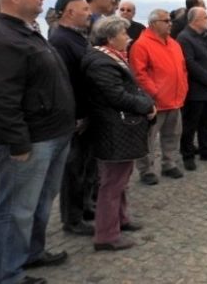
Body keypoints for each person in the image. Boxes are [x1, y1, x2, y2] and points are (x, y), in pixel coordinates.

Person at [0, 0, 75, 284]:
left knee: (39, 204)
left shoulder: (28, 32)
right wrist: (17, 143)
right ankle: (7, 276)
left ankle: (32, 254)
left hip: (53, 134)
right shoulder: (2, 38)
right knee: (15, 210)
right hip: (31, 141)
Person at [81, 17, 157, 252]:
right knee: (112, 183)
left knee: (121, 178)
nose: (128, 38)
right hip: (113, 129)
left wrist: (146, 100)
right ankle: (106, 235)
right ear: (110, 37)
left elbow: (129, 89)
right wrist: (146, 105)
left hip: (120, 127)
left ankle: (121, 219)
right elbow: (117, 96)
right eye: (124, 34)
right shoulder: (101, 62)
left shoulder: (110, 57)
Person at [49, 0, 96, 237]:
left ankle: (86, 206)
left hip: (86, 114)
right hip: (75, 118)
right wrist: (77, 115)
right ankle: (72, 219)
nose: (89, 13)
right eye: (84, 9)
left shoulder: (77, 38)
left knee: (86, 166)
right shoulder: (60, 40)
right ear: (69, 12)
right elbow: (64, 83)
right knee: (73, 169)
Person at [129, 9, 188, 185]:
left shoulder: (174, 44)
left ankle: (168, 164)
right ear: (154, 23)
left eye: (170, 20)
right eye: (166, 20)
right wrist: (155, 92)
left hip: (175, 99)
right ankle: (146, 170)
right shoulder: (142, 45)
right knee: (148, 139)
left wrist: (183, 88)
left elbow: (182, 68)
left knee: (172, 134)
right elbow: (139, 74)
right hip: (155, 103)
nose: (170, 23)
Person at [177, 7, 207, 170]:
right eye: (206, 17)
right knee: (190, 125)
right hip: (195, 90)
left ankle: (206, 150)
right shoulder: (184, 38)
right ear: (196, 20)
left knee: (206, 122)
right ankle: (188, 154)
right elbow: (190, 63)